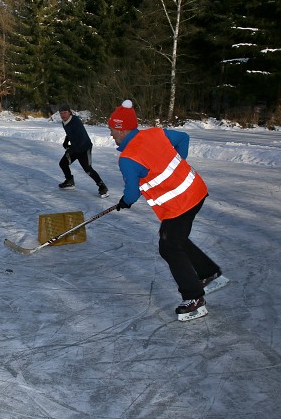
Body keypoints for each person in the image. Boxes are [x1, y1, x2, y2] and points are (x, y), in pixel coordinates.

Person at [109, 99, 224, 321]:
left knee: (169, 247)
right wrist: (176, 163)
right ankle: (208, 273)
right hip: (196, 190)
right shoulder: (154, 133)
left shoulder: (128, 158)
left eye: (112, 129)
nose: (111, 134)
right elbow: (183, 138)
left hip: (180, 204)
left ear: (122, 129)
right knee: (174, 238)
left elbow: (132, 193)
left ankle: (194, 298)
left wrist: (125, 201)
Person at [57, 104, 108, 197]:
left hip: (84, 147)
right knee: (63, 163)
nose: (63, 115)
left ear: (70, 112)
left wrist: (71, 149)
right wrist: (66, 141)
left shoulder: (75, 121)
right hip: (75, 148)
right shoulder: (64, 122)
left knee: (88, 169)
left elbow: (81, 138)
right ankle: (69, 181)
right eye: (61, 113)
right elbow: (70, 133)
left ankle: (102, 187)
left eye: (65, 113)